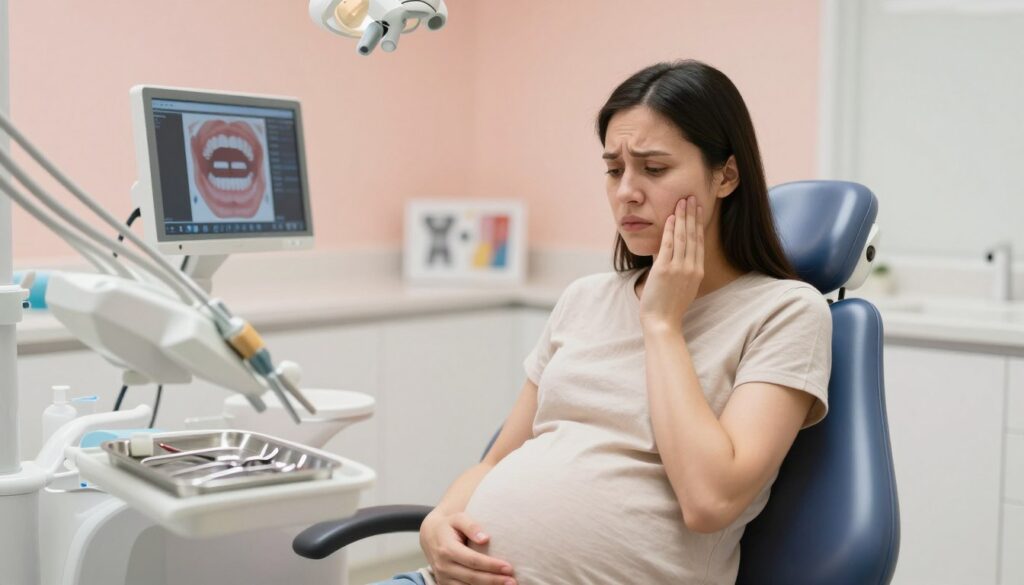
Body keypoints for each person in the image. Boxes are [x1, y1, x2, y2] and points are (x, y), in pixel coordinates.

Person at [373, 59, 832, 585]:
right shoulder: (584, 298)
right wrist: (438, 523)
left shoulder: (786, 312)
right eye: (614, 170)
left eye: (654, 169)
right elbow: (497, 458)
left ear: (725, 174)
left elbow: (711, 501)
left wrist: (662, 323)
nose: (626, 192)